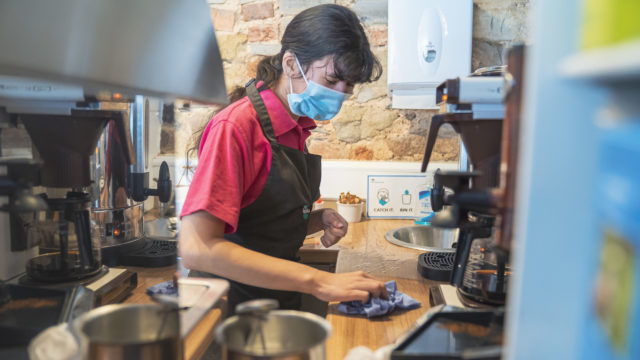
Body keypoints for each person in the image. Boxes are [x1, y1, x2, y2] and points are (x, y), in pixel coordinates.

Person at [179, 4, 388, 314]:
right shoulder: (236, 127)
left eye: (349, 87)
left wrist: (316, 220)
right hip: (227, 309)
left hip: (274, 301)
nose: (340, 94)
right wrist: (317, 281)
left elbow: (258, 229)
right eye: (331, 81)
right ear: (291, 64)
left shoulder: (296, 127)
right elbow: (197, 247)